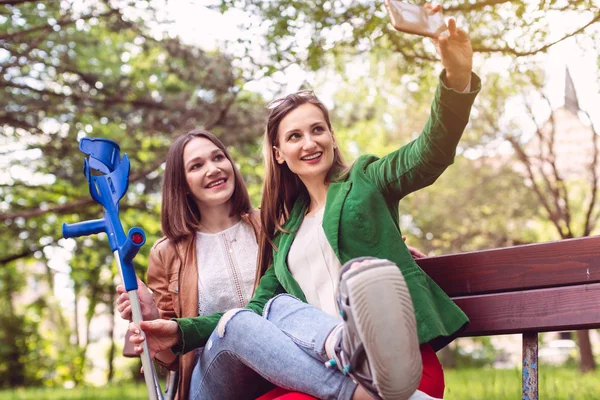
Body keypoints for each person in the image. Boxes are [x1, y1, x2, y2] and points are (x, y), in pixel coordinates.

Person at [129, 8, 480, 400]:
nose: (309, 143)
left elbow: (429, 153)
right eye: (294, 136)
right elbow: (254, 309)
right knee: (267, 308)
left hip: (398, 367)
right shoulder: (284, 232)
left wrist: (457, 77)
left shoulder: (366, 180)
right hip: (322, 368)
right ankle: (350, 369)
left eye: (317, 130)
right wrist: (178, 331)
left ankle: (368, 371)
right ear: (279, 153)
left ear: (331, 136)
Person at [116, 128, 270, 400]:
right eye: (197, 166)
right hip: (212, 383)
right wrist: (151, 316)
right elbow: (172, 359)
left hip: (277, 364)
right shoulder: (167, 253)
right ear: (183, 184)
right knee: (235, 325)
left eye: (218, 158)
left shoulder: (268, 226)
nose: (213, 169)